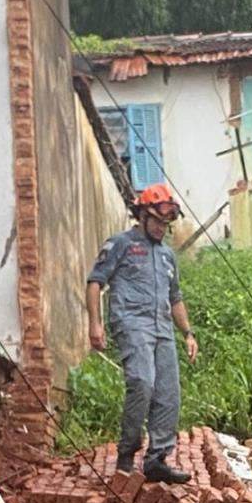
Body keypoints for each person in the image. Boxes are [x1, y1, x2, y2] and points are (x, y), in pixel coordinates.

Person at [86, 183, 199, 482]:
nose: (162, 228)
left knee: (168, 394)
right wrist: (95, 324)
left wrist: (188, 333)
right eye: (158, 221)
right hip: (131, 323)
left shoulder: (167, 256)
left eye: (167, 224)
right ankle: (127, 453)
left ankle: (156, 460)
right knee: (142, 382)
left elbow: (175, 299)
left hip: (163, 328)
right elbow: (95, 282)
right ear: (143, 216)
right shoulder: (121, 244)